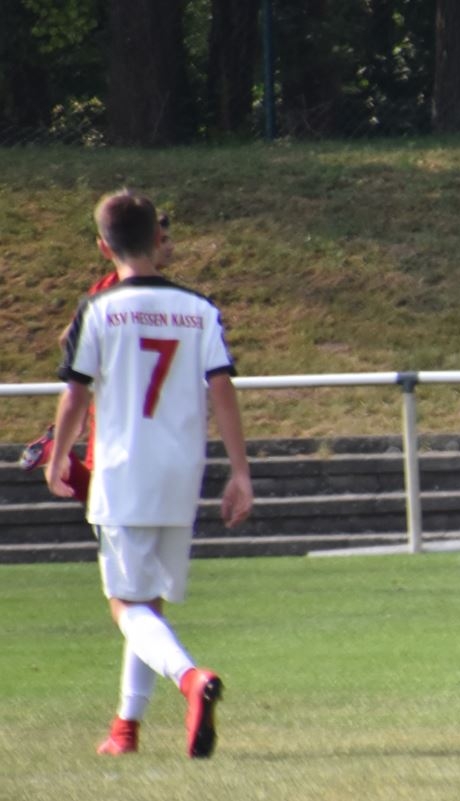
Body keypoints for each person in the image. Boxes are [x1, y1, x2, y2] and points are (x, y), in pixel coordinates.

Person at [45, 190, 253, 757]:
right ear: (158, 239)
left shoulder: (98, 308)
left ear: (102, 246)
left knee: (124, 604)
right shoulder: (199, 309)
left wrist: (59, 454)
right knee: (147, 603)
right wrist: (240, 471)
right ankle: (125, 729)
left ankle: (191, 679)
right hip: (181, 471)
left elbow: (75, 393)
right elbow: (223, 390)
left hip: (122, 470)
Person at [19, 212, 175, 504]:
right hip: (118, 406)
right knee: (108, 494)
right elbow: (69, 338)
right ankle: (58, 454)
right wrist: (91, 380)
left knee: (119, 495)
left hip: (143, 407)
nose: (170, 247)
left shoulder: (151, 290)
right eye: (163, 240)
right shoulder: (115, 289)